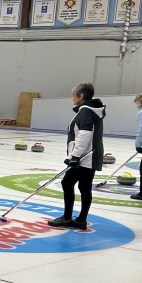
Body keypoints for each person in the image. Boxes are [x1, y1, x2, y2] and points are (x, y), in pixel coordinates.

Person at [48, 82, 105, 230]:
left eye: (74, 95)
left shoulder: (86, 111)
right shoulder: (91, 110)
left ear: (81, 96)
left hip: (85, 157)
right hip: (89, 156)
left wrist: (75, 156)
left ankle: (68, 217)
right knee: (84, 187)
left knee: (68, 183)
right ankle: (80, 220)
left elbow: (84, 134)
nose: (72, 98)